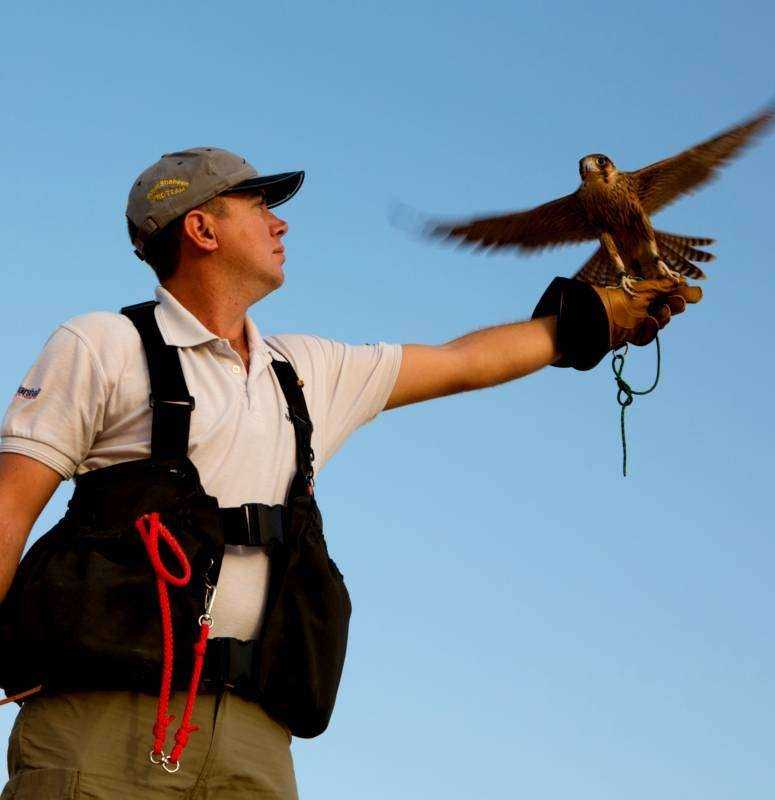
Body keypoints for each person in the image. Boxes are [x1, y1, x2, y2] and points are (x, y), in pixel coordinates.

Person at [0, 147, 701, 799]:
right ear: (201, 229)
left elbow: (461, 360)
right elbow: (9, 506)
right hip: (99, 719)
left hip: (254, 736)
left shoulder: (305, 371)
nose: (280, 222)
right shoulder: (102, 344)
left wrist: (597, 316)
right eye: (258, 208)